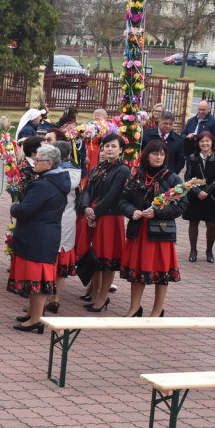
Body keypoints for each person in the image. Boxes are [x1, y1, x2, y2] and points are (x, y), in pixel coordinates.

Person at [119, 140, 187, 317]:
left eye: (162, 154)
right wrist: (132, 211)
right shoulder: (136, 176)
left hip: (160, 232)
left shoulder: (172, 178)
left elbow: (181, 205)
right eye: (155, 153)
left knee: (161, 272)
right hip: (138, 230)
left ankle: (157, 310)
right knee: (137, 271)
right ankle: (134, 308)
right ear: (146, 155)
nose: (158, 157)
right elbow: (122, 200)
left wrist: (157, 213)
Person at [9, 145, 70, 333]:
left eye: (39, 160)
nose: (34, 162)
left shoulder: (43, 184)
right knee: (34, 279)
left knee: (37, 280)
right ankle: (32, 314)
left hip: (38, 236)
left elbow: (25, 209)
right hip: (44, 234)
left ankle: (36, 318)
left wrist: (15, 207)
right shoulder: (56, 180)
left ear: (50, 164)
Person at [77, 133, 130, 312]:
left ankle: (103, 296)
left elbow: (113, 195)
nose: (109, 149)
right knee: (95, 256)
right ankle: (95, 292)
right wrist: (86, 207)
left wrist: (95, 212)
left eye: (114, 146)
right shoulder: (97, 168)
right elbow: (87, 190)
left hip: (109, 217)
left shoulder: (122, 170)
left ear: (121, 150)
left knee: (107, 259)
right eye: (106, 146)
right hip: (93, 214)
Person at [46, 140, 82, 315]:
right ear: (69, 155)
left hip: (50, 219)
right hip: (68, 219)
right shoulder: (76, 173)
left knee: (48, 259)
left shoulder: (50, 174)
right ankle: (56, 299)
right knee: (62, 258)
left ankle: (43, 298)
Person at [182, 132, 215, 263]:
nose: (205, 144)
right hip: (195, 196)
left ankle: (209, 251)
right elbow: (187, 178)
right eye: (202, 141)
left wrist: (207, 191)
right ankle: (193, 250)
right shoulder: (192, 158)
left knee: (211, 224)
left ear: (212, 142)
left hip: (211, 196)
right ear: (198, 144)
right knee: (193, 222)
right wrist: (197, 191)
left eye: (207, 141)